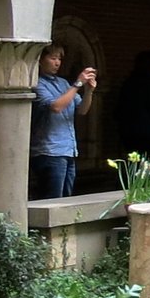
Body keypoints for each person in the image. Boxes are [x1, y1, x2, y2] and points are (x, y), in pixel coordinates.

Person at [31, 43, 95, 199]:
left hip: (68, 149)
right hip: (49, 151)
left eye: (59, 58)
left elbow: (82, 110)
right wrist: (78, 83)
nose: (57, 62)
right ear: (40, 60)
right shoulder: (37, 83)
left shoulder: (63, 83)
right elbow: (56, 107)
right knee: (52, 200)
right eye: (53, 58)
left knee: (66, 199)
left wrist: (89, 91)